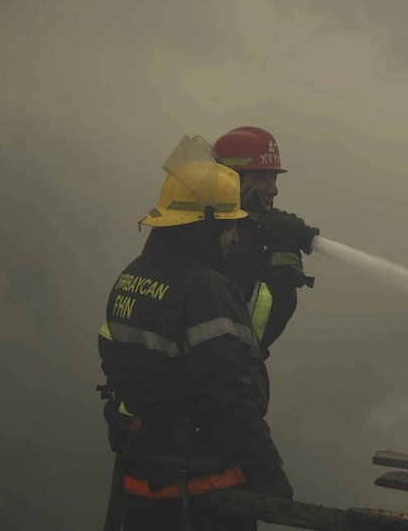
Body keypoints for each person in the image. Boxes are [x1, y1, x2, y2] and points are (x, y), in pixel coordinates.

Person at [98, 137, 292, 531]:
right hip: (201, 493)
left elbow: (113, 356)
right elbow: (230, 399)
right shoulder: (204, 290)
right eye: (228, 228)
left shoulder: (133, 274)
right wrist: (272, 480)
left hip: (143, 478)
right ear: (204, 227)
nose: (235, 238)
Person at [211, 126, 318, 357]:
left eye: (274, 177)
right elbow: (252, 337)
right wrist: (283, 261)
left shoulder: (213, 228)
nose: (273, 190)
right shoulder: (222, 243)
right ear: (230, 180)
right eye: (261, 177)